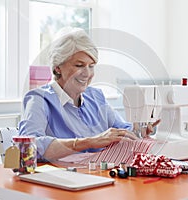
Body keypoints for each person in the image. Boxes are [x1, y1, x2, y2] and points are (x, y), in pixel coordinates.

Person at [18, 27, 159, 161]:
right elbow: (27, 146)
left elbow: (121, 128)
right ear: (58, 68)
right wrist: (90, 142)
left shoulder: (96, 97)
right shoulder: (39, 99)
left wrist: (139, 129)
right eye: (79, 65)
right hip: (61, 179)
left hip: (99, 175)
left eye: (91, 66)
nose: (87, 73)